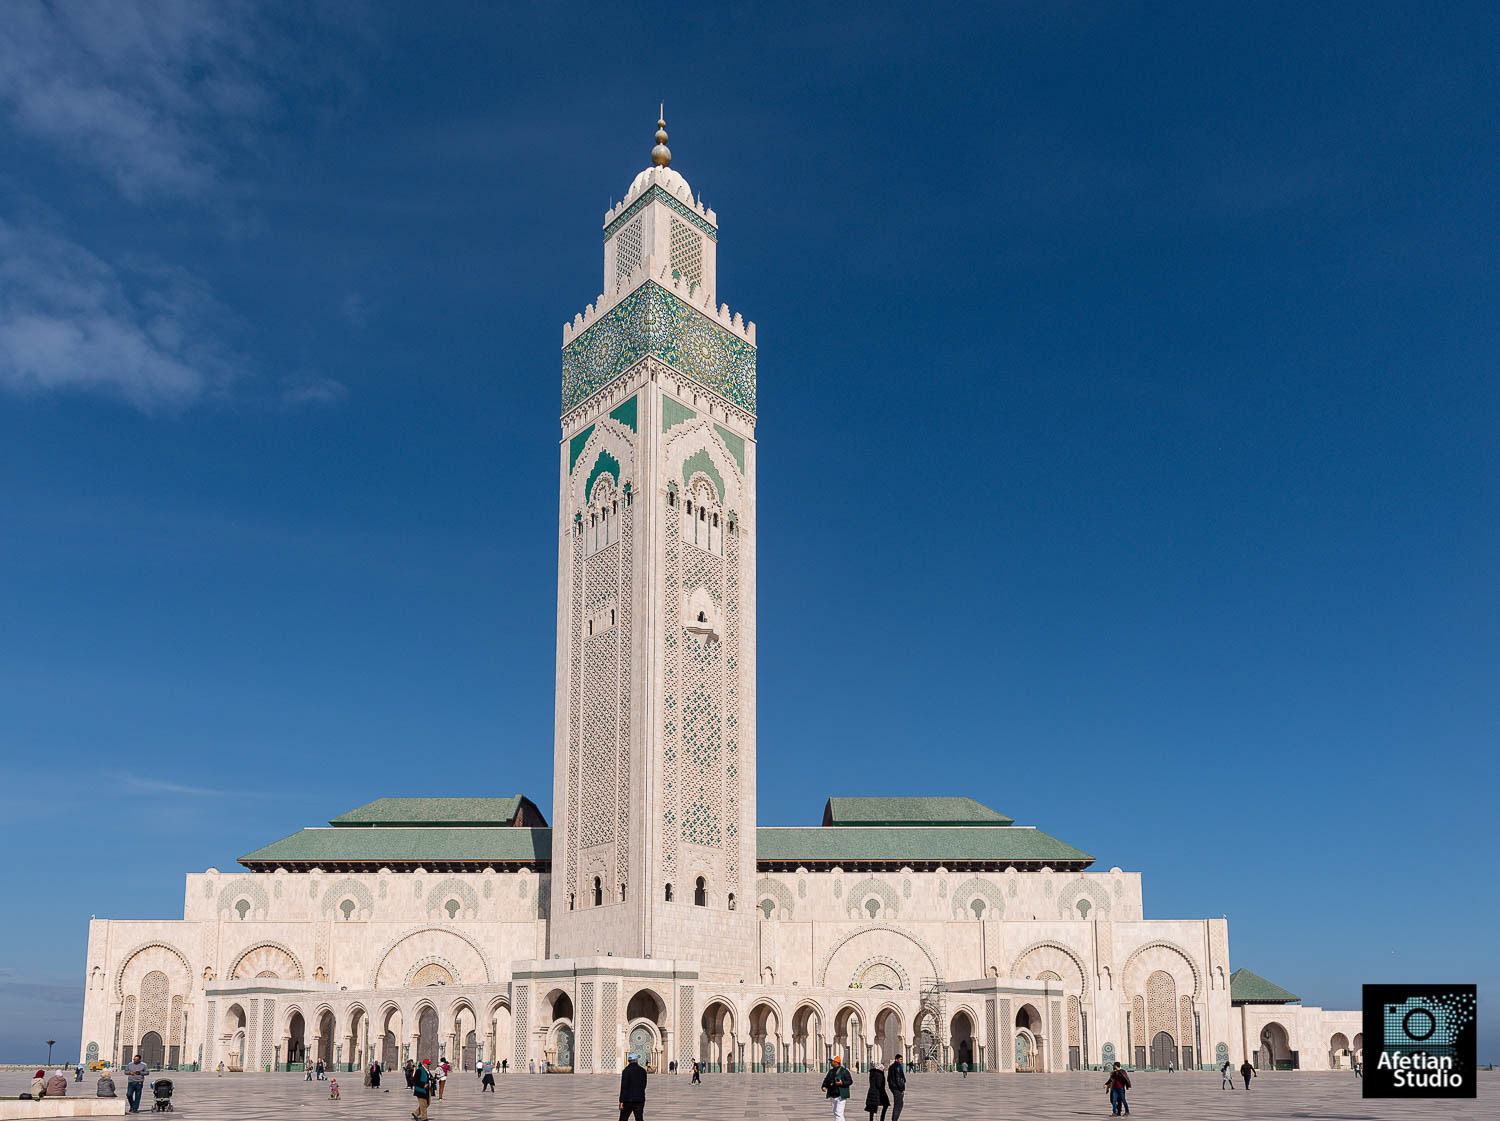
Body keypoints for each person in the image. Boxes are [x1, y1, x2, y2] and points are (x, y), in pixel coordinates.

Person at [821, 1054, 854, 1121]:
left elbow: (850, 1081)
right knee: (836, 1113)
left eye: (832, 1061)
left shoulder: (844, 1071)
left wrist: (842, 1083)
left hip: (841, 1095)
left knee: (838, 1112)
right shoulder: (831, 1071)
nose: (830, 1063)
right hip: (832, 1094)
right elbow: (826, 1080)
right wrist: (824, 1086)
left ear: (836, 1062)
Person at [619, 1051, 647, 1121]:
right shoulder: (643, 1071)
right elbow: (644, 1085)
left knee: (623, 1119)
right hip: (640, 1099)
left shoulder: (626, 1071)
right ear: (636, 1060)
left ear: (629, 1061)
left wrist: (621, 1101)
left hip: (628, 1100)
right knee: (639, 1118)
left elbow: (624, 1087)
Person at [887, 1055, 906, 1121]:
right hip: (897, 1088)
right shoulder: (898, 1067)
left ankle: (895, 1118)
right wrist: (901, 1089)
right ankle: (894, 1119)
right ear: (896, 1059)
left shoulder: (891, 1067)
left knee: (899, 1104)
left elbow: (888, 1079)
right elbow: (898, 1079)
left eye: (902, 1059)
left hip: (893, 1087)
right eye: (900, 1059)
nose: (901, 1061)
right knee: (898, 1105)